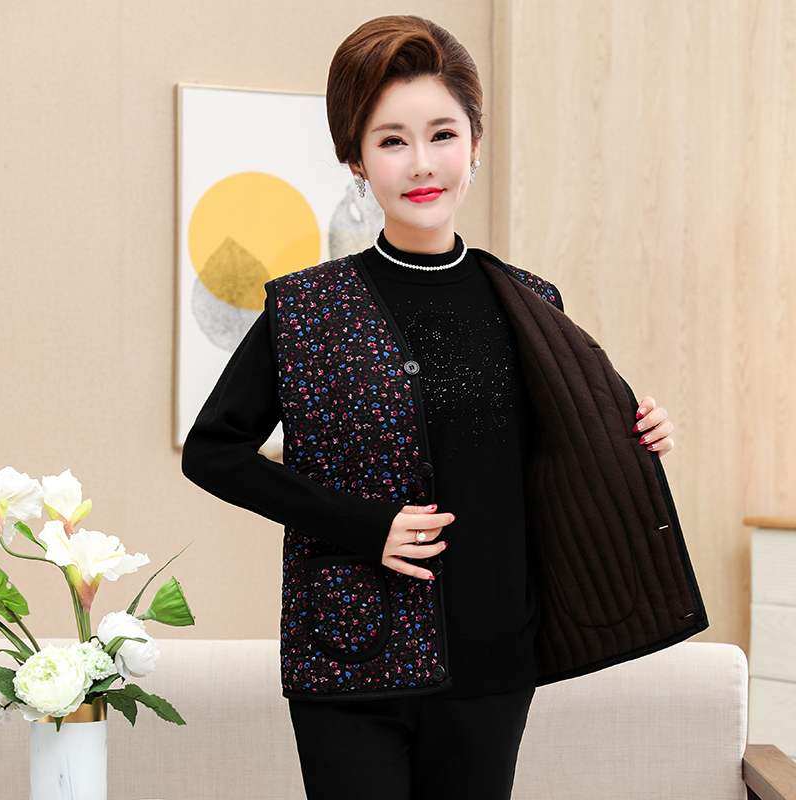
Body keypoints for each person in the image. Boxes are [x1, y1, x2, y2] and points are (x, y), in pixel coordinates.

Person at [182, 14, 683, 800]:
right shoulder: (305, 309)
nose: (421, 163)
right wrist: (363, 524)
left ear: (475, 142)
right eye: (392, 141)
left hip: (493, 657)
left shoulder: (530, 301)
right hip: (349, 657)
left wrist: (635, 437)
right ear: (356, 158)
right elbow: (212, 452)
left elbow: (555, 456)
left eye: (442, 134)